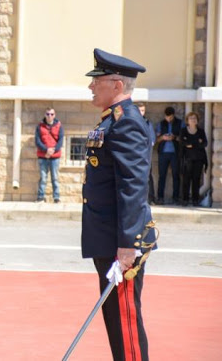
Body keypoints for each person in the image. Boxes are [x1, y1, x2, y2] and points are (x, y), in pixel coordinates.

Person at [83, 48, 155, 360]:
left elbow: (133, 186)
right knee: (115, 320)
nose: (90, 86)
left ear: (116, 85)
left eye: (96, 81)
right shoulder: (111, 123)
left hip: (120, 242)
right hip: (108, 238)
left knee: (124, 322)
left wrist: (128, 243)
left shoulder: (126, 123)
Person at [35, 107, 64, 203]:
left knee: (55, 178)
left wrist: (52, 151)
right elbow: (37, 141)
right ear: (45, 115)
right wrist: (46, 150)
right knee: (43, 178)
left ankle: (56, 197)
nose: (49, 116)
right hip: (43, 156)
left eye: (51, 114)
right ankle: (40, 197)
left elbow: (60, 141)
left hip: (55, 157)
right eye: (47, 114)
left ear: (54, 115)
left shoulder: (59, 126)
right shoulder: (40, 126)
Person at [179, 111, 208, 206]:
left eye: (195, 118)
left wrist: (191, 143)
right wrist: (195, 142)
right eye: (191, 118)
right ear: (187, 120)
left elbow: (204, 143)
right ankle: (185, 199)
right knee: (186, 180)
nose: (193, 120)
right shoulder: (184, 130)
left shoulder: (200, 131)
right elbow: (182, 142)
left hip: (199, 159)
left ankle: (195, 200)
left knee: (196, 180)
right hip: (188, 159)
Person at [155, 106, 183, 204]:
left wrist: (174, 137)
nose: (169, 119)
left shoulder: (180, 123)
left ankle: (176, 198)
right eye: (167, 117)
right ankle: (160, 197)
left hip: (175, 153)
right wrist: (163, 137)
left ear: (173, 116)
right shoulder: (161, 124)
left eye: (170, 117)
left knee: (176, 175)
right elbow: (156, 140)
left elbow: (183, 138)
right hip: (163, 153)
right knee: (162, 176)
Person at [137, 103, 156, 204]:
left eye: (143, 111)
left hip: (145, 154)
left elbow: (152, 140)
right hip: (134, 155)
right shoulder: (131, 122)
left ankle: (150, 198)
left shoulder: (147, 123)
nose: (141, 113)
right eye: (139, 110)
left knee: (148, 176)